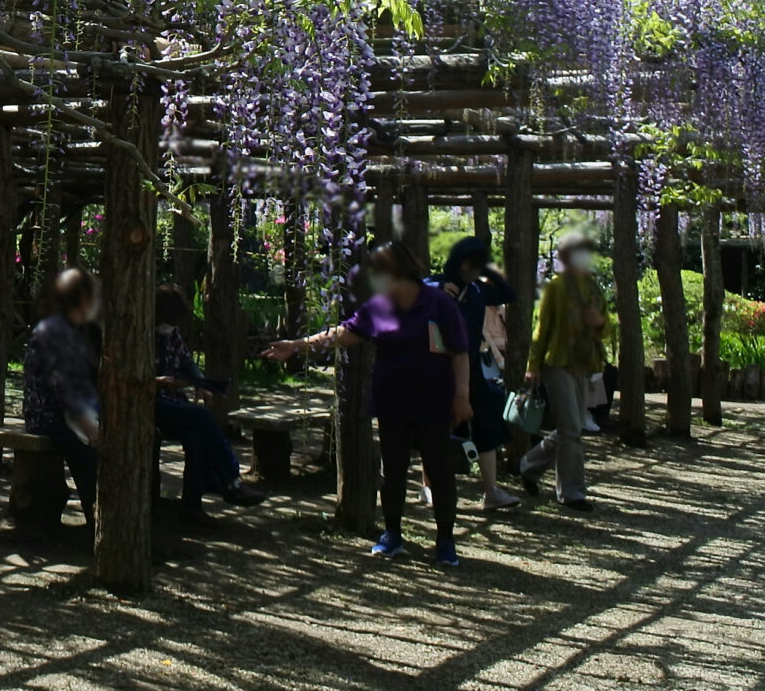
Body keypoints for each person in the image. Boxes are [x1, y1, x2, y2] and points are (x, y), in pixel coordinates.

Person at [265, 240, 472, 565]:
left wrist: (462, 397)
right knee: (392, 468)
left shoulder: (438, 305)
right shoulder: (381, 308)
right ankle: (392, 534)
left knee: (439, 470)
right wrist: (299, 344)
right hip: (393, 401)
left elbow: (460, 352)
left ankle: (445, 539)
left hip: (434, 401)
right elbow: (344, 333)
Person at [153, 285, 263, 520]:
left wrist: (201, 383)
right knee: (202, 416)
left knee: (197, 438)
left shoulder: (171, 334)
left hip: (173, 403)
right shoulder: (139, 332)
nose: (170, 325)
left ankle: (193, 506)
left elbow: (185, 361)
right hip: (148, 404)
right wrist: (158, 382)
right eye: (167, 319)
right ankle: (230, 481)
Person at [520, 229, 607, 510]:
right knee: (572, 427)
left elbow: (607, 328)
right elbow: (541, 329)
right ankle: (572, 493)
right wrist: (532, 366)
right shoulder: (556, 288)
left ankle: (528, 466)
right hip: (556, 363)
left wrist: (599, 322)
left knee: (570, 428)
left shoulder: (593, 288)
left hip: (583, 364)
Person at [438, 236, 521, 511]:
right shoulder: (438, 284)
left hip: (472, 365)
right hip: (440, 367)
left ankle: (491, 490)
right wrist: (439, 287)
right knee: (436, 427)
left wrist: (487, 270)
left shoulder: (477, 290)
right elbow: (416, 292)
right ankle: (429, 487)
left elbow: (509, 293)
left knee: (487, 423)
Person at [22, 267, 103, 529]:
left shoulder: (82, 330)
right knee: (89, 454)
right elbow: (62, 388)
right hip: (49, 415)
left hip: (77, 410)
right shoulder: (53, 332)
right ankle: (100, 524)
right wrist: (89, 426)